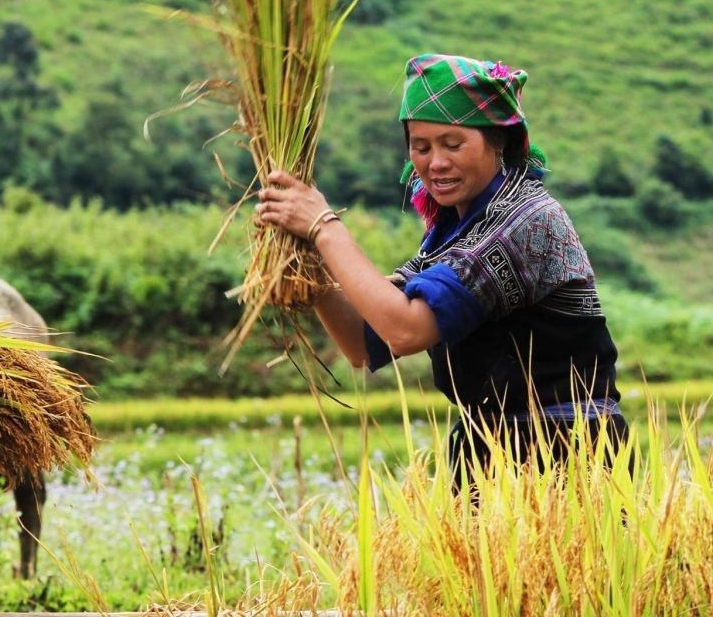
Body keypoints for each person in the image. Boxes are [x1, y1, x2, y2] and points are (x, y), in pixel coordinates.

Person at [255, 54, 627, 486]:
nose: (435, 163)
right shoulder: (451, 231)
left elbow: (406, 330)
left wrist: (323, 226)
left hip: (568, 453)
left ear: (498, 142)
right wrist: (307, 270)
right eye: (421, 147)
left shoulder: (524, 220)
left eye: (453, 144)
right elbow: (364, 341)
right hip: (488, 452)